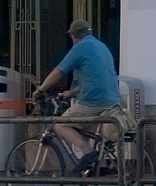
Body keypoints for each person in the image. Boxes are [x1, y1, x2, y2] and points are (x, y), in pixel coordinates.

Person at [31, 18, 122, 175]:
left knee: (60, 125)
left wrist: (41, 89)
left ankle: (87, 152)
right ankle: (90, 173)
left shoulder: (81, 47)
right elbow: (97, 78)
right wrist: (71, 93)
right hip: (112, 100)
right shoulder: (102, 47)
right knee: (82, 132)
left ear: (74, 35)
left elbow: (59, 71)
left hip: (93, 102)